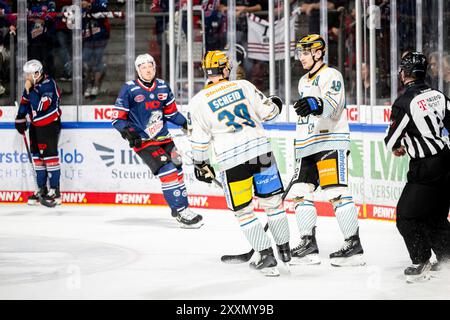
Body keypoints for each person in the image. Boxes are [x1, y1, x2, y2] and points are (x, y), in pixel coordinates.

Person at [188, 50, 290, 276]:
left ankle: (266, 255)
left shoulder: (197, 102)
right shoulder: (243, 86)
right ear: (225, 69)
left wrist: (200, 164)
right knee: (273, 204)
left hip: (232, 160)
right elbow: (269, 112)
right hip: (261, 152)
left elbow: (200, 139)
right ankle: (284, 250)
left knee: (244, 211)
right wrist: (275, 102)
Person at [290, 34, 364, 267]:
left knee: (336, 192)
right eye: (300, 52)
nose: (301, 57)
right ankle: (308, 244)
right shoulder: (303, 81)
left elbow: (333, 107)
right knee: (300, 192)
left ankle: (353, 245)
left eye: (305, 52)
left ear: (318, 53)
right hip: (307, 145)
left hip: (330, 142)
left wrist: (314, 104)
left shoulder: (332, 75)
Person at [111, 53, 204, 229]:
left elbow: (171, 113)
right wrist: (130, 133)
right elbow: (117, 118)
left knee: (177, 169)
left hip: (165, 139)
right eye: (143, 67)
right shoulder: (129, 89)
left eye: (150, 66)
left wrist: (186, 124)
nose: (147, 69)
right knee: (168, 171)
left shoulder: (162, 86)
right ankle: (180, 209)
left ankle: (183, 209)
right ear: (138, 70)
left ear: (155, 67)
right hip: (145, 143)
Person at [384, 52, 450, 283]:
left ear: (406, 74)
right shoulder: (439, 95)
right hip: (446, 161)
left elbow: (392, 140)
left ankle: (420, 260)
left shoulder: (404, 102)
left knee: (406, 216)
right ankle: (446, 260)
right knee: (436, 218)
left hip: (426, 167)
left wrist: (398, 147)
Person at [14, 59, 62, 205]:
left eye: (29, 74)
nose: (26, 77)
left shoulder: (48, 84)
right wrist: (20, 118)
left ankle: (55, 191)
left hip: (49, 125)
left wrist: (30, 89)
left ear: (37, 73)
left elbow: (41, 105)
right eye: (26, 74)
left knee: (50, 158)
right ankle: (42, 189)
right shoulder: (31, 85)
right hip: (35, 126)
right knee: (37, 159)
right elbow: (24, 102)